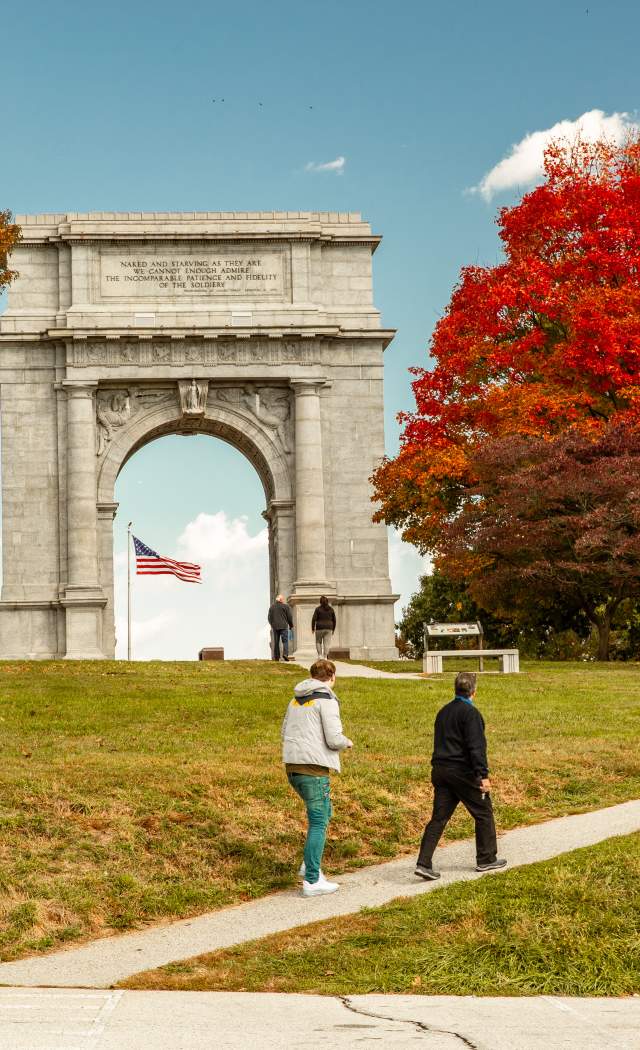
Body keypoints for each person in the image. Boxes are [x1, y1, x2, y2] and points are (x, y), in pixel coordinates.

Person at [415, 670, 506, 880]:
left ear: (456, 689)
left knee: (439, 818)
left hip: (441, 770)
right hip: (461, 771)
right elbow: (476, 747)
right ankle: (486, 858)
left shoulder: (443, 712)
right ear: (474, 691)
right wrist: (483, 775)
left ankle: (423, 863)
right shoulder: (471, 714)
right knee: (483, 811)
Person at [282, 658, 353, 897]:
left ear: (312, 676)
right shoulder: (327, 700)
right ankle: (312, 880)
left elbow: (284, 731)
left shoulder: (295, 700)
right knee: (319, 821)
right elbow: (333, 738)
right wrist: (346, 742)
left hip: (293, 766)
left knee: (324, 811)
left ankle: (308, 863)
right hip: (313, 769)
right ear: (332, 677)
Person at [268, 594, 293, 661]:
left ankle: (277, 656)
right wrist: (291, 625)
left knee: (276, 642)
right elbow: (289, 617)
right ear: (281, 600)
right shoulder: (285, 606)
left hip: (275, 626)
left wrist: (272, 624)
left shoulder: (272, 607)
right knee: (285, 641)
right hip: (284, 626)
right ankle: (285, 654)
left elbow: (269, 618)